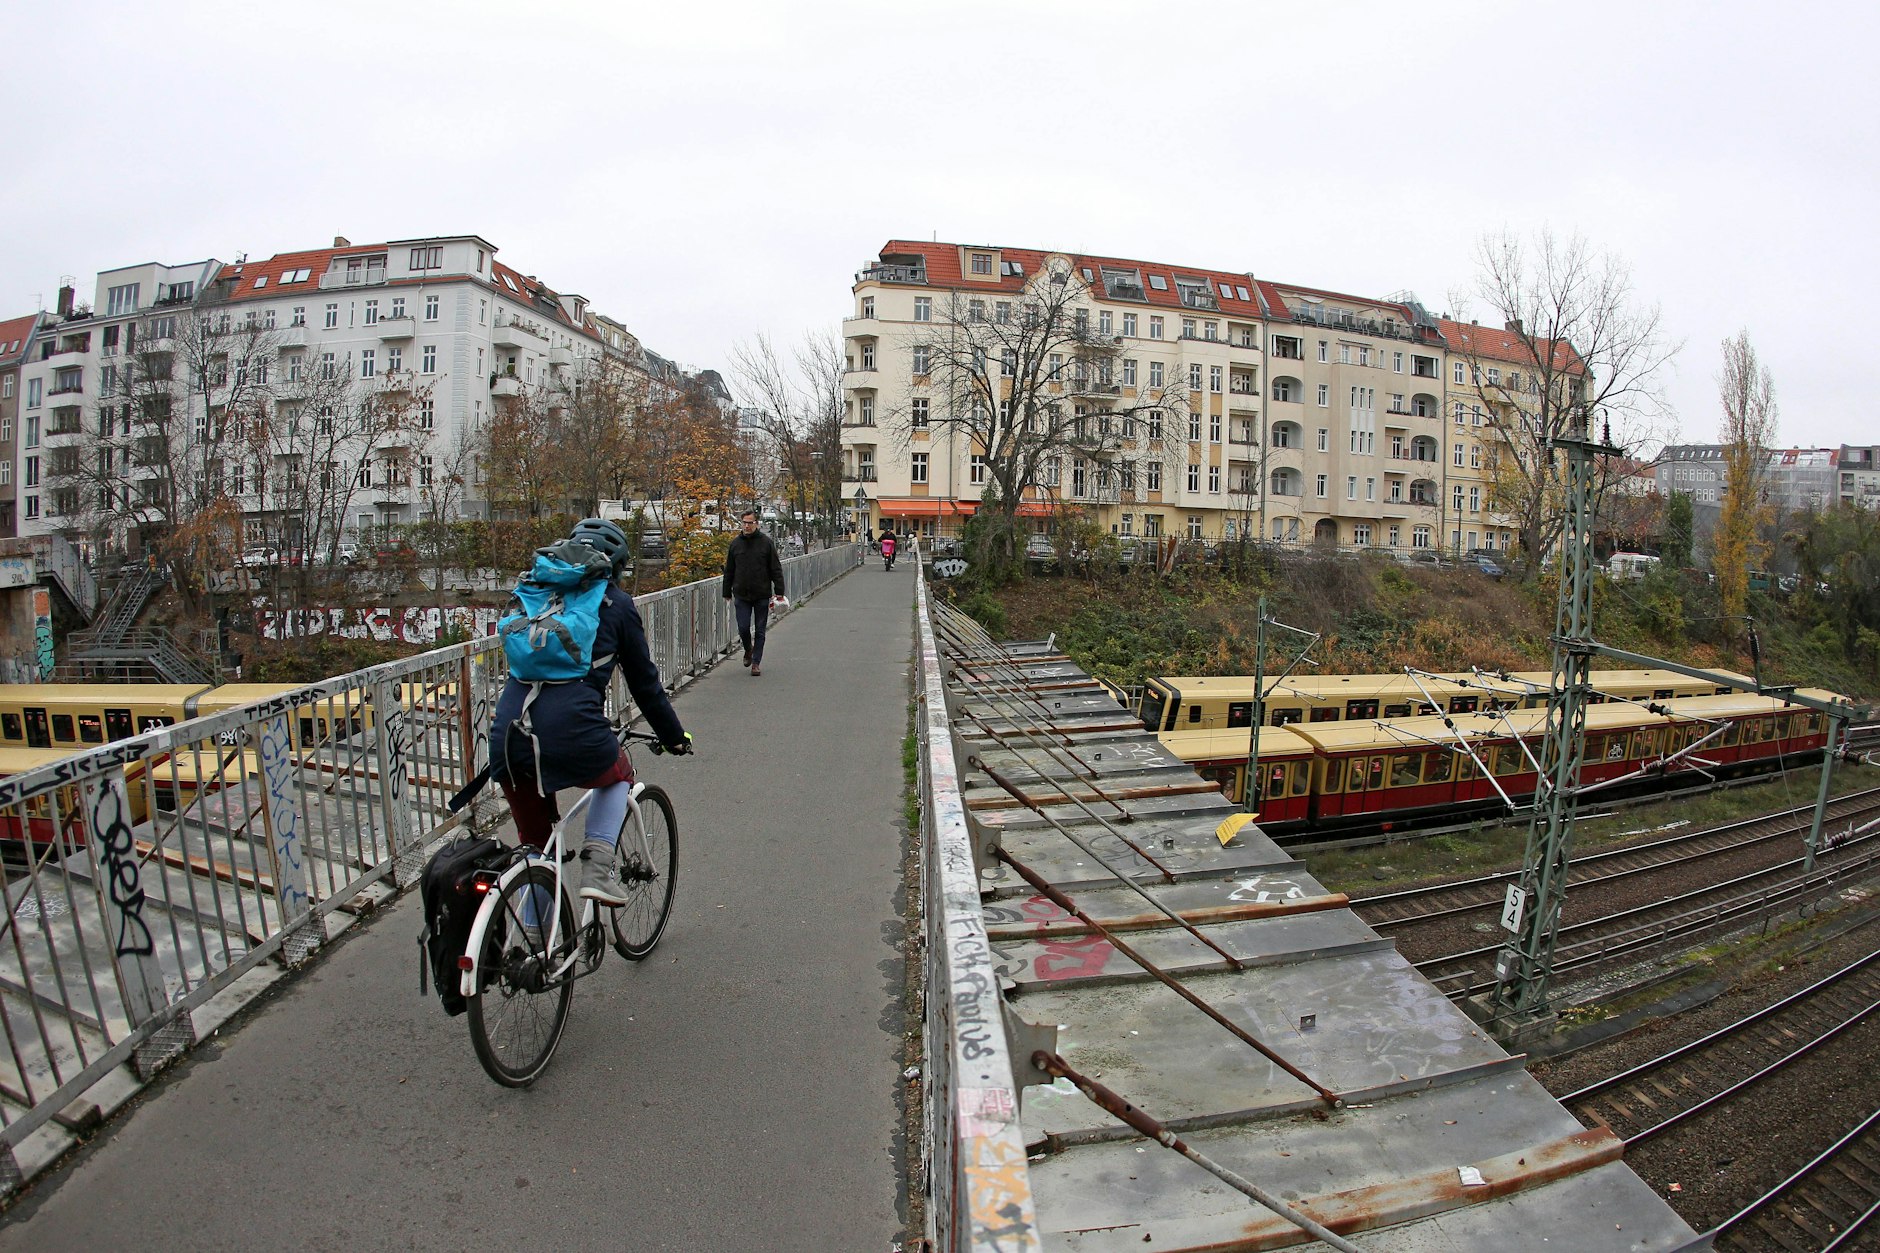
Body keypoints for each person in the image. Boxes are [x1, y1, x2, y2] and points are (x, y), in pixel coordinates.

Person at [490, 518, 691, 905]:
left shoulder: (535, 595)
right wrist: (673, 737)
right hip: (573, 733)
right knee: (618, 774)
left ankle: (534, 945)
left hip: (509, 735)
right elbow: (645, 686)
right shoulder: (616, 605)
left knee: (538, 851)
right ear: (614, 568)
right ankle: (598, 869)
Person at [722, 508, 785, 676]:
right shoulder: (736, 544)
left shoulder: (766, 543)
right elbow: (729, 570)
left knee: (760, 630)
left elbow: (775, 568)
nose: (747, 526)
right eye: (744, 523)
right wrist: (726, 591)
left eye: (750, 523)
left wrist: (779, 591)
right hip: (741, 594)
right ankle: (748, 649)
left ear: (756, 524)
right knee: (743, 627)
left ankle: (756, 663)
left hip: (761, 593)